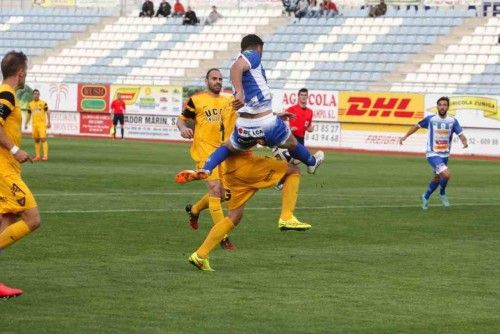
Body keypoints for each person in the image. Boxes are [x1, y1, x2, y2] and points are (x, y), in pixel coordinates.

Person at [175, 34, 324, 184]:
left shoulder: (246, 69)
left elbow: (249, 97)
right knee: (292, 143)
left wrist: (276, 114)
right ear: (258, 47)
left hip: (244, 126)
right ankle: (310, 163)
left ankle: (207, 168)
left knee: (228, 147)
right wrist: (239, 92)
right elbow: (236, 67)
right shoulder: (252, 55)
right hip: (266, 123)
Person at [188, 151, 311, 271]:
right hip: (248, 167)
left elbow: (226, 147)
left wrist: (208, 167)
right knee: (293, 170)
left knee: (234, 216)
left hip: (231, 171)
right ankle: (287, 216)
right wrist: (309, 159)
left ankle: (200, 255)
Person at [177, 68, 236, 250]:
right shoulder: (197, 100)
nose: (217, 81)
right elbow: (181, 119)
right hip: (204, 152)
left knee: (226, 194)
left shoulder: (230, 100)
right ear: (206, 80)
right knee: (215, 189)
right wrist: (182, 129)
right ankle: (223, 237)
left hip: (224, 152)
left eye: (220, 79)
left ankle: (194, 210)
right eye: (214, 78)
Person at [0, 51, 41, 298]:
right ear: (21, 72)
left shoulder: (7, 93)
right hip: (5, 171)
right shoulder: (6, 93)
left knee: (8, 221)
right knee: (32, 219)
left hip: (8, 169)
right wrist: (15, 150)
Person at [399, 96, 468, 210]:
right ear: (437, 106)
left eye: (444, 105)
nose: (442, 107)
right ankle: (442, 192)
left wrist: (464, 142)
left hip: (445, 155)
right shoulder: (431, 119)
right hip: (432, 153)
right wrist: (405, 136)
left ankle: (425, 196)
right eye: (440, 104)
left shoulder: (452, 121)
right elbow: (417, 126)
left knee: (437, 179)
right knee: (446, 174)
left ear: (448, 107)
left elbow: (460, 134)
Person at [24, 89, 50, 161]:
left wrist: (49, 122)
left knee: (43, 139)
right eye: (35, 94)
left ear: (39, 95)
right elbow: (29, 114)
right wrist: (26, 123)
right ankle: (37, 156)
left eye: (37, 94)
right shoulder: (30, 104)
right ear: (33, 95)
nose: (36, 95)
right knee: (36, 140)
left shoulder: (43, 103)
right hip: (34, 125)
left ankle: (45, 156)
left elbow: (48, 112)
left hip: (42, 124)